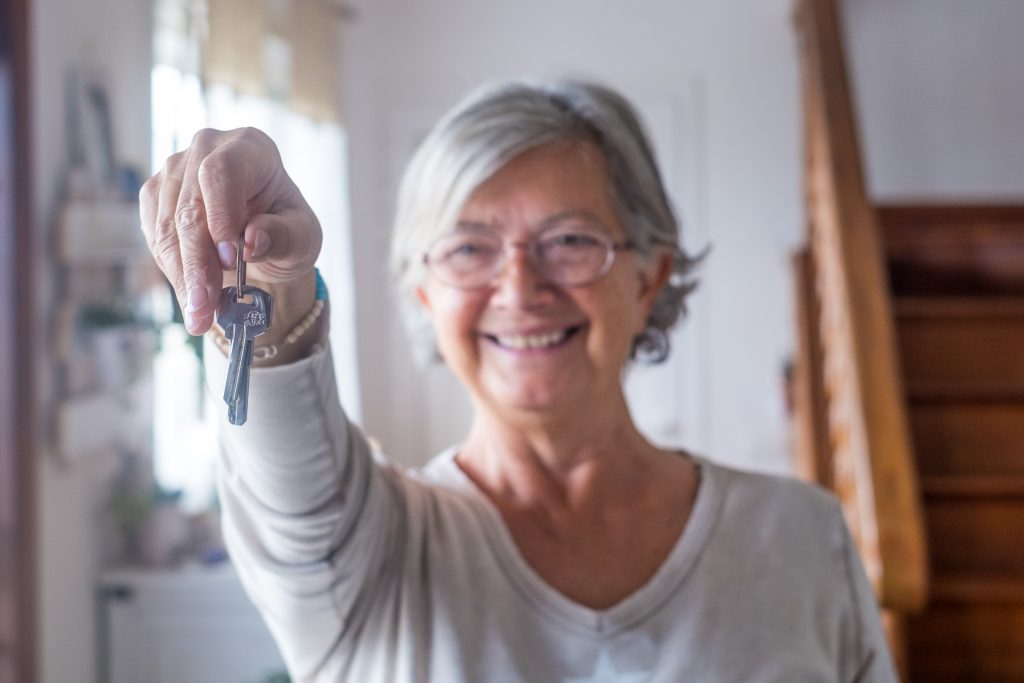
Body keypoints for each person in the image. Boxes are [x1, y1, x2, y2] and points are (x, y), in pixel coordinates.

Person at [139, 80, 897, 682]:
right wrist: (270, 288)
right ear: (425, 293)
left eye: (570, 240)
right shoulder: (366, 556)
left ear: (649, 276)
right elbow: (288, 487)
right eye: (470, 248)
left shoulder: (803, 540)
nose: (519, 286)